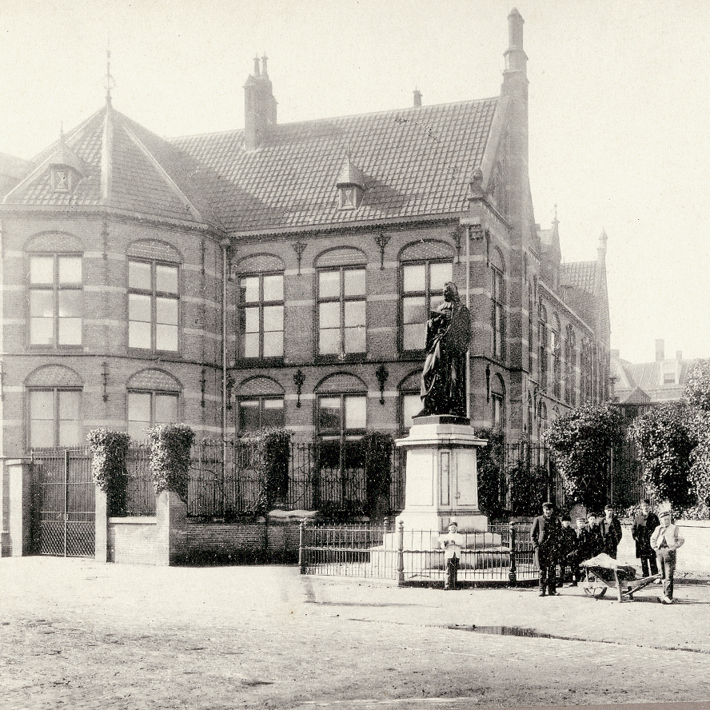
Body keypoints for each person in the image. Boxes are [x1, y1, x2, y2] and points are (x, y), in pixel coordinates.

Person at [417, 282, 471, 417]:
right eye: (443, 291)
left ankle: (453, 408)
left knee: (453, 379)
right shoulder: (440, 308)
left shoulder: (461, 309)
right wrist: (435, 321)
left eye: (447, 291)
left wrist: (452, 324)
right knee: (426, 373)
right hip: (437, 344)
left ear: (453, 292)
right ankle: (428, 405)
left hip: (453, 349)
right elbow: (431, 328)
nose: (444, 293)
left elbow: (466, 332)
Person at [651, 508, 685, 604]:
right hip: (660, 552)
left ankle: (669, 597)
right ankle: (664, 594)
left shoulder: (674, 528)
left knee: (669, 574)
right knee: (662, 574)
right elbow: (652, 538)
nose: (666, 521)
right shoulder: (658, 528)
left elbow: (681, 539)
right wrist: (655, 548)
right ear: (660, 520)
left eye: (668, 519)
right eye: (664, 519)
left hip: (669, 553)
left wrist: (673, 548)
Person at [530, 502, 561, 597]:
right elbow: (532, 535)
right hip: (542, 549)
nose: (548, 512)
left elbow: (560, 534)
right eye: (546, 510)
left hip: (552, 549)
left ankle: (552, 590)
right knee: (542, 570)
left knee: (552, 570)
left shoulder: (556, 520)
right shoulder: (538, 519)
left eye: (550, 510)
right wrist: (536, 546)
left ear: (552, 510)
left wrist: (558, 545)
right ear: (543, 510)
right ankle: (542, 590)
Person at [632, 499, 660, 578]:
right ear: (641, 507)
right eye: (644, 506)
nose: (646, 508)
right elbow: (633, 528)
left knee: (652, 559)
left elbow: (658, 528)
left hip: (651, 541)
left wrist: (655, 538)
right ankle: (645, 575)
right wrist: (636, 537)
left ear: (649, 507)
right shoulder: (638, 517)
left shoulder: (654, 517)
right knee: (643, 560)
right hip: (641, 542)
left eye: (647, 506)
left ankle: (655, 576)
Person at [439, 520, 465, 590]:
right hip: (449, 555)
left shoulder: (459, 536)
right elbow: (442, 547)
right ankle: (447, 585)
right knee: (448, 570)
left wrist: (455, 542)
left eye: (454, 527)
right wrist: (445, 543)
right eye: (452, 527)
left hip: (456, 554)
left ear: (456, 528)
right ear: (449, 528)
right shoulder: (446, 536)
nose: (453, 529)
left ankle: (454, 585)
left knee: (454, 570)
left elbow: (461, 543)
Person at [557, 515, 578, 586]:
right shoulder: (560, 531)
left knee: (573, 567)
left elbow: (575, 541)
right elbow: (558, 541)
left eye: (568, 521)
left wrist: (573, 551)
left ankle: (574, 581)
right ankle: (560, 582)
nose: (567, 523)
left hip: (570, 551)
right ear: (562, 522)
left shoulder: (572, 531)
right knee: (561, 567)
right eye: (565, 521)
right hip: (562, 551)